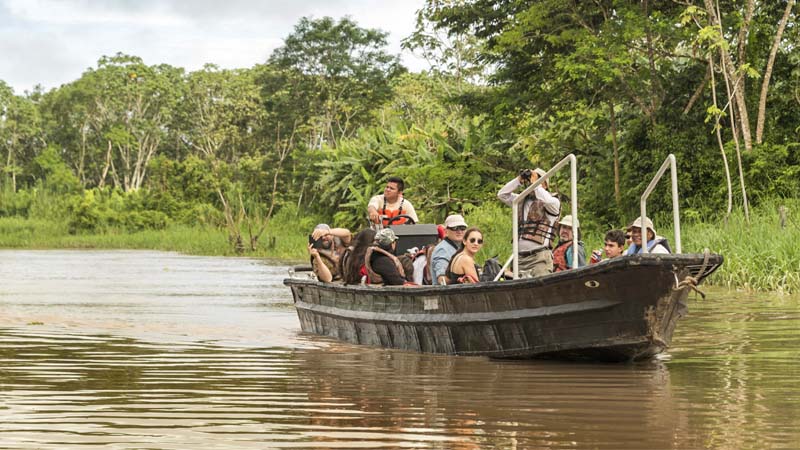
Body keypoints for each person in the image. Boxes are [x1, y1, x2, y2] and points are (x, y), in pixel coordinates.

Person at [497, 168, 561, 277]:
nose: (532, 181)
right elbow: (502, 194)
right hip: (520, 258)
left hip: (539, 258)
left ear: (545, 185)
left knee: (541, 286)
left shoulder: (553, 202)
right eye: (531, 179)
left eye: (539, 179)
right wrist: (519, 180)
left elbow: (546, 199)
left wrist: (535, 183)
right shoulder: (520, 201)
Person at [429, 214, 468, 285]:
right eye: (455, 228)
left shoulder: (460, 247)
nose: (459, 231)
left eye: (462, 228)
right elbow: (442, 280)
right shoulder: (443, 250)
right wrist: (459, 274)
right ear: (446, 231)